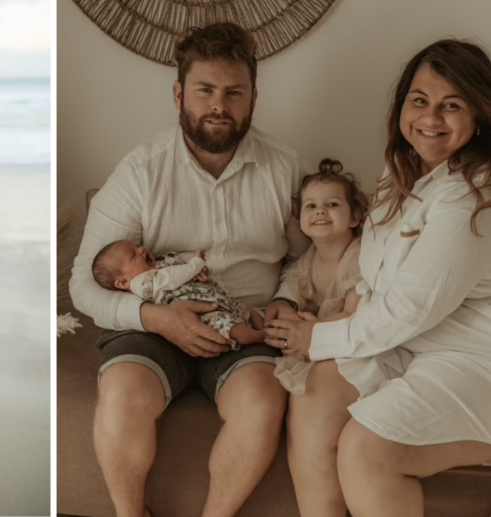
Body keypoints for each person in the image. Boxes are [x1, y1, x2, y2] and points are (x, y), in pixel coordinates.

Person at [264, 39, 491, 517]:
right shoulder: (401, 171)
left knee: (368, 450)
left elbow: (412, 306)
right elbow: (380, 274)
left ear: (480, 115)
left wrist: (319, 337)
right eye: (420, 100)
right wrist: (346, 310)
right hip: (417, 342)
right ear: (402, 106)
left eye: (452, 105)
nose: (431, 117)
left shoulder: (479, 192)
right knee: (312, 398)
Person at [69, 22, 309, 517]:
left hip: (249, 320)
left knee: (263, 405)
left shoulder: (285, 169)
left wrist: (285, 300)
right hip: (156, 321)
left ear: (253, 99)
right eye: (205, 90)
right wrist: (158, 319)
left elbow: (306, 257)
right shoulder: (140, 172)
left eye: (233, 92)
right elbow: (81, 285)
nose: (219, 105)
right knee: (120, 394)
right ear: (180, 94)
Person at [272, 158, 369, 394]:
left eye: (333, 204)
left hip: (352, 341)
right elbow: (296, 291)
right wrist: (286, 322)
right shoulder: (309, 259)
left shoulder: (356, 258)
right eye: (311, 206)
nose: (320, 211)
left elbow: (352, 316)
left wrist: (312, 329)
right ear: (301, 221)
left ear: (354, 217)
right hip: (320, 334)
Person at [92, 241, 265, 349]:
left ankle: (266, 327)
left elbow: (182, 268)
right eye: (133, 255)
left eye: (137, 246)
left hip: (219, 298)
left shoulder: (160, 262)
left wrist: (199, 272)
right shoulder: (143, 283)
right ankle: (261, 337)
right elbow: (173, 277)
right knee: (235, 329)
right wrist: (195, 264)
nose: (141, 250)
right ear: (123, 283)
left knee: (248, 310)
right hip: (205, 313)